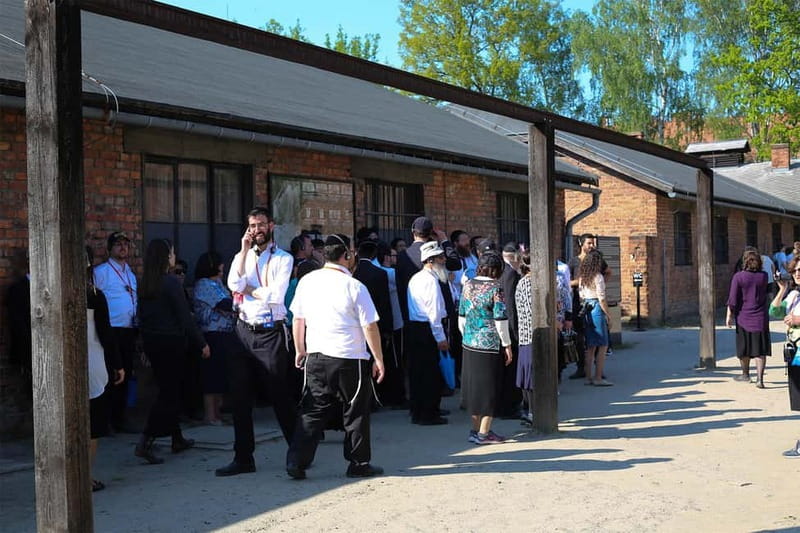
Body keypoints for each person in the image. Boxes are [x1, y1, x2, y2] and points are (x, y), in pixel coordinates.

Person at [285, 234, 387, 479]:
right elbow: (369, 326)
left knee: (312, 410)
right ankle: (358, 462)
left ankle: (296, 461)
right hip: (350, 357)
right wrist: (379, 358)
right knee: (355, 412)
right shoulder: (354, 286)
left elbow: (298, 319)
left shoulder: (307, 281)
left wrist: (300, 349)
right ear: (347, 255)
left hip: (317, 355)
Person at [217, 207, 297, 477]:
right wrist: (242, 251)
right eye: (252, 225)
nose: (256, 230)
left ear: (271, 226)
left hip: (269, 333)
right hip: (243, 330)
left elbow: (276, 296)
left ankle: (298, 452)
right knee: (240, 397)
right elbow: (232, 283)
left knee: (279, 394)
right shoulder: (242, 256)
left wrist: (248, 288)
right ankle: (243, 458)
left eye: (261, 224)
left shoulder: (283, 258)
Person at [135, 239, 209, 464]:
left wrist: (143, 344)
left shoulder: (146, 283)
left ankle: (177, 438)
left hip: (153, 342)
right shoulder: (170, 283)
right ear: (167, 257)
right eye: (172, 253)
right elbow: (184, 317)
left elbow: (142, 317)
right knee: (169, 394)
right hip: (171, 342)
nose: (174, 257)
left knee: (169, 389)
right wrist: (201, 343)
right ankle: (146, 440)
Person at [459, 252, 512, 444]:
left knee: (474, 390)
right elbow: (500, 319)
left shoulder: (468, 285)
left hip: (469, 342)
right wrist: (507, 344)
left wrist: (468, 335)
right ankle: (484, 433)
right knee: (490, 389)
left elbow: (462, 316)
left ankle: (474, 430)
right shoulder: (496, 288)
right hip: (489, 344)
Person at [85, 246, 124, 492]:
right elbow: (106, 334)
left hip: (59, 367)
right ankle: (85, 476)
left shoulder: (47, 294)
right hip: (93, 363)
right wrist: (117, 364)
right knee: (93, 424)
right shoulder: (93, 295)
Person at [93, 231, 138, 433]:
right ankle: (107, 420)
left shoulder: (130, 274)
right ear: (110, 249)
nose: (123, 248)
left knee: (126, 373)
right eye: (118, 244)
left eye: (125, 244)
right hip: (111, 330)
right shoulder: (102, 272)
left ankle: (120, 417)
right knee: (111, 374)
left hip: (129, 329)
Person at [193, 251, 241, 425]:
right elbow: (225, 304)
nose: (223, 267)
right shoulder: (204, 284)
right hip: (212, 334)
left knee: (221, 374)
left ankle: (218, 413)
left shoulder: (218, 283)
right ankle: (210, 415)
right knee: (211, 375)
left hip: (225, 333)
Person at [405, 241, 450, 425]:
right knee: (429, 375)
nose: (444, 260)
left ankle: (418, 410)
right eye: (440, 258)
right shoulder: (430, 281)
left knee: (418, 373)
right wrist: (441, 338)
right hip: (427, 329)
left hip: (416, 328)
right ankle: (428, 413)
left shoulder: (416, 278)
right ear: (431, 261)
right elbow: (434, 313)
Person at [768, 256, 800, 457]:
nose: (797, 273)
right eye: (795, 270)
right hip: (795, 354)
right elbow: (775, 311)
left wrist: (798, 319)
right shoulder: (795, 295)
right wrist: (782, 289)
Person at [727, 250, 770, 387]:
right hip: (761, 317)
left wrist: (729, 315)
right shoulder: (764, 276)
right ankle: (760, 379)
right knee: (760, 350)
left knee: (744, 348)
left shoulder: (738, 277)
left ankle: (745, 374)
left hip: (743, 317)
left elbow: (733, 299)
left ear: (744, 262)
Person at [376, 240, 406, 407]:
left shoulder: (378, 272)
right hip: (396, 321)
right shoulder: (390, 273)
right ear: (387, 257)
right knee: (396, 360)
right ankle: (397, 396)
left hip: (384, 321)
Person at [579, 250, 612, 386]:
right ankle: (598, 377)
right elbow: (602, 298)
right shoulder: (598, 277)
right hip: (597, 307)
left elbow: (581, 295)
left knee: (590, 346)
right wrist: (608, 315)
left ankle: (588, 377)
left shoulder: (583, 277)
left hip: (587, 307)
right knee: (603, 344)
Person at [497, 242, 522, 418]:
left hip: (502, 327)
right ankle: (509, 407)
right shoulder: (510, 274)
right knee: (510, 370)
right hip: (510, 329)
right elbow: (511, 306)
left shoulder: (502, 271)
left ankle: (505, 405)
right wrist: (515, 333)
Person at [568, 233, 597, 380]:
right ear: (581, 244)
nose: (592, 246)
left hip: (592, 303)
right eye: (589, 243)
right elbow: (567, 281)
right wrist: (579, 282)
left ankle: (596, 368)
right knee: (579, 336)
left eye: (593, 243)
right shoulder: (574, 262)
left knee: (594, 334)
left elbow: (607, 273)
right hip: (577, 303)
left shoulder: (596, 260)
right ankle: (581, 367)